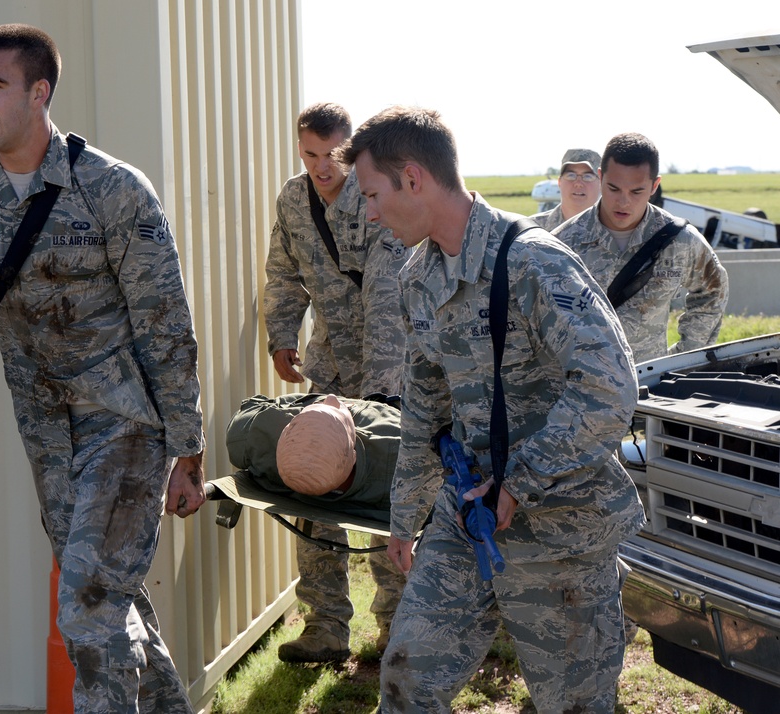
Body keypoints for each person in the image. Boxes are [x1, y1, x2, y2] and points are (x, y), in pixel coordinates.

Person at [0, 24, 205, 713]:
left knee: (87, 604)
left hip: (125, 424)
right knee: (112, 599)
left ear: (39, 92)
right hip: (47, 433)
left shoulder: (112, 189)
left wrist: (187, 447)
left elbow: (165, 323)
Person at [337, 106, 645, 713]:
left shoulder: (533, 260)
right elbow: (424, 406)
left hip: (562, 528)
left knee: (576, 706)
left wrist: (518, 478)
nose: (370, 213)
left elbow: (611, 387)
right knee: (406, 682)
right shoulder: (417, 276)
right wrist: (406, 516)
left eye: (373, 194)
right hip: (464, 511)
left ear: (414, 179)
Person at [264, 102, 411, 663]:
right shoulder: (293, 199)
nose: (322, 167)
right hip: (325, 369)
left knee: (381, 500)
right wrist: (282, 336)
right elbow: (283, 269)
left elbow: (385, 297)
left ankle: (396, 630)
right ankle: (325, 627)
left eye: (333, 155)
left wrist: (378, 395)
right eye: (310, 154)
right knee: (311, 492)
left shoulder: (376, 200)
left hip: (386, 371)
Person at [554, 132, 729, 363]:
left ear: (654, 185)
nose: (623, 202)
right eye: (614, 189)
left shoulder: (679, 241)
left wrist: (684, 357)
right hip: (581, 389)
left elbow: (714, 289)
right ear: (600, 177)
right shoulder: (563, 243)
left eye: (636, 191)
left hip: (651, 388)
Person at [225, 393, 401, 521]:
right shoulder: (400, 454)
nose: (331, 397)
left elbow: (240, 424)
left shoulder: (260, 440)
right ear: (353, 455)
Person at [530, 148, 603, 231]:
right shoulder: (532, 228)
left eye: (588, 177)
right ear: (559, 182)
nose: (578, 183)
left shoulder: (616, 232)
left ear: (601, 184)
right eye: (571, 175)